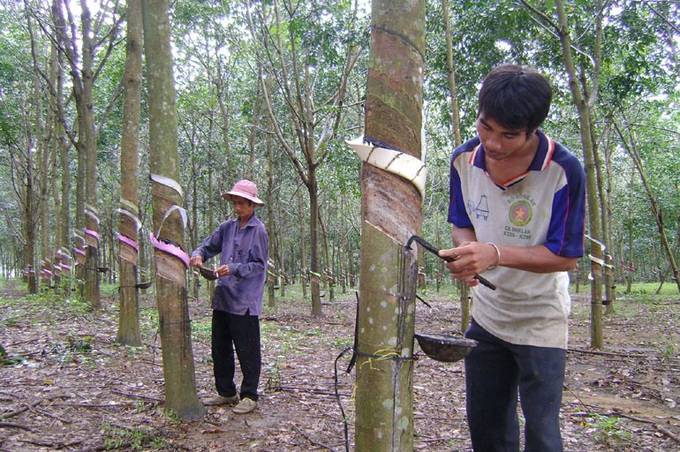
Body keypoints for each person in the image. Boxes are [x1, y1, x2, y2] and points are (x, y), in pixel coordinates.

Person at [440, 64, 586, 451]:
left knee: (541, 429)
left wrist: (495, 254)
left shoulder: (563, 171)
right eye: (486, 127)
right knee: (487, 424)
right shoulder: (462, 160)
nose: (494, 143)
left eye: (510, 135)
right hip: (487, 314)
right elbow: (461, 221)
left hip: (540, 316)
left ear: (533, 130)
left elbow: (565, 256)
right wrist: (469, 253)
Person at [190, 179, 269, 415]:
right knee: (220, 347)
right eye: (235, 203)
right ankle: (226, 392)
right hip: (223, 297)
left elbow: (258, 266)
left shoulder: (259, 232)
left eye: (242, 203)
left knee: (247, 349)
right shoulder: (226, 227)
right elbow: (208, 246)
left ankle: (249, 395)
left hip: (244, 301)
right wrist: (198, 256)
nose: (237, 208)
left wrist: (233, 268)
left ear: (252, 205)